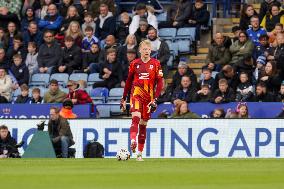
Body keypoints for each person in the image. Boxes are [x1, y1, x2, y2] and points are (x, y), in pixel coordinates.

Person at [120, 40, 164, 161]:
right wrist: (124, 98)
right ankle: (133, 140)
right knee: (136, 118)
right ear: (140, 50)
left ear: (151, 51)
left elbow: (160, 82)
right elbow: (128, 81)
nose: (146, 51)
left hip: (148, 99)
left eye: (148, 49)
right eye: (144, 49)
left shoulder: (156, 64)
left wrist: (155, 98)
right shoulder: (134, 63)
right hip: (136, 94)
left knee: (143, 124)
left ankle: (139, 153)